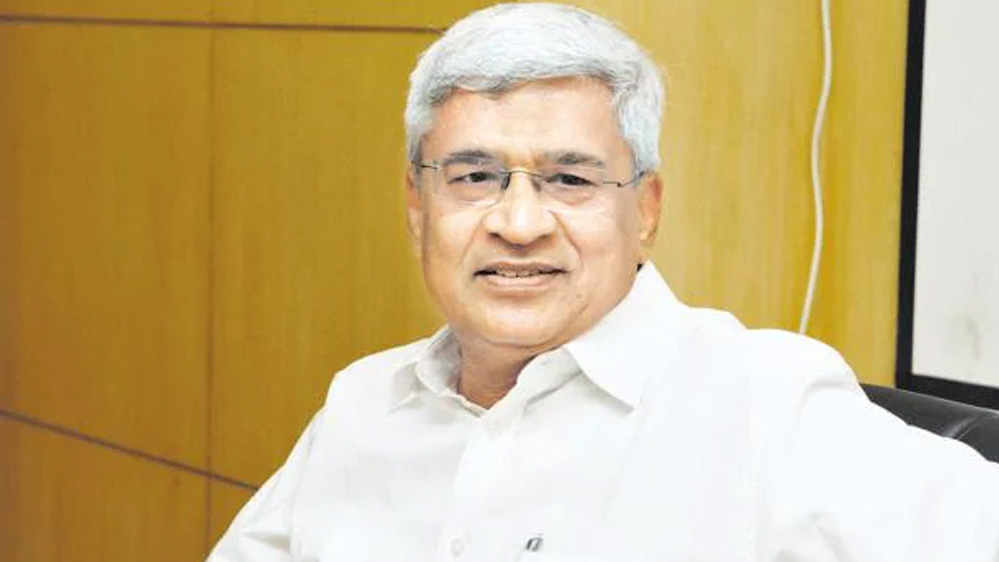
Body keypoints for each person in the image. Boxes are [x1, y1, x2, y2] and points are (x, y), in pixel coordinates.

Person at [208, 4, 999, 561]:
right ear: (419, 207)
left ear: (644, 210)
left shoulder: (764, 405)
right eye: (474, 176)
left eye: (570, 180)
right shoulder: (363, 405)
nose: (519, 223)